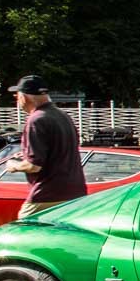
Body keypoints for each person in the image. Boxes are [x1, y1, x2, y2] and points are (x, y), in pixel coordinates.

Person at [8, 75, 86, 217]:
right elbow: (59, 151)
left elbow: (34, 166)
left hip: (48, 193)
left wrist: (13, 165)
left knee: (23, 228)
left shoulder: (36, 120)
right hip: (75, 191)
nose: (17, 100)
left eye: (16, 95)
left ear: (24, 97)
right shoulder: (62, 116)